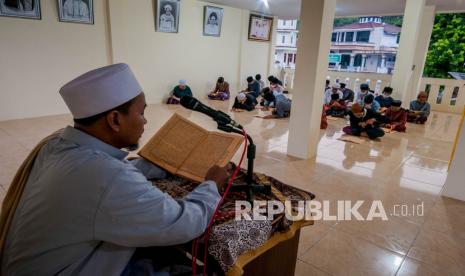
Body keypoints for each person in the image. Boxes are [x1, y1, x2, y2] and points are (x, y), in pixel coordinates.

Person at [0, 64, 228, 275]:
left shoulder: (56, 144)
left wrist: (160, 162)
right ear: (115, 120)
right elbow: (183, 224)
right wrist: (211, 185)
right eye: (141, 113)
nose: (145, 122)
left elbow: (110, 170)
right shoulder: (107, 176)